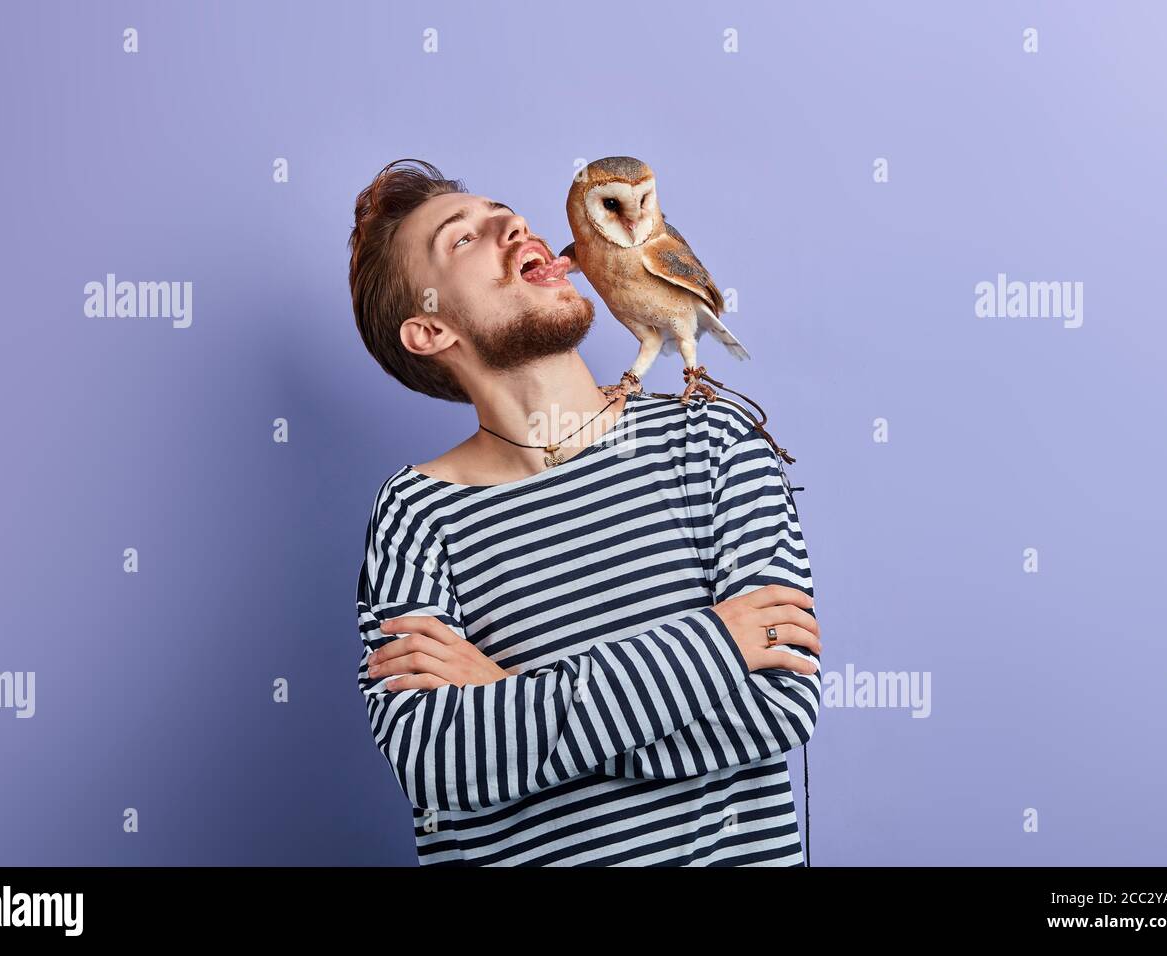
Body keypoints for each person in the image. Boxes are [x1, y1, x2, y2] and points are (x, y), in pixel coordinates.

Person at [347, 159, 822, 865]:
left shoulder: (714, 441)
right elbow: (440, 764)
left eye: (505, 214)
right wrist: (714, 649)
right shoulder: (417, 515)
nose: (512, 225)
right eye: (464, 240)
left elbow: (777, 705)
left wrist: (509, 696)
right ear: (430, 329)